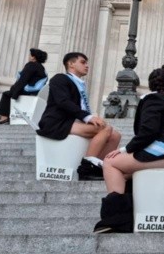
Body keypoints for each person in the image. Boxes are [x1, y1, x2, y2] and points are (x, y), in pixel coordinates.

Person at [95, 68, 164, 233]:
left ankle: (116, 220)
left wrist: (125, 149)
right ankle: (132, 213)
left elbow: (149, 131)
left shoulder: (153, 99)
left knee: (110, 163)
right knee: (124, 174)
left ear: (150, 85)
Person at [37, 52, 121, 181]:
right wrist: (88, 117)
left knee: (115, 135)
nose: (87, 66)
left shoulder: (80, 83)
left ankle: (100, 167)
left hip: (73, 122)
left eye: (87, 63)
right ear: (71, 64)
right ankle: (86, 169)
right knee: (105, 129)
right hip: (57, 122)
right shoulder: (60, 78)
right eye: (83, 62)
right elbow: (63, 102)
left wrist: (91, 117)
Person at [0, 48, 48, 124]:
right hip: (35, 92)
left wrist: (14, 93)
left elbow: (23, 80)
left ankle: (4, 117)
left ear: (33, 57)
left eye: (30, 55)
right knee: (10, 93)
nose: (29, 56)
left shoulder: (31, 65)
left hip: (27, 91)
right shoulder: (42, 68)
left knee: (6, 94)